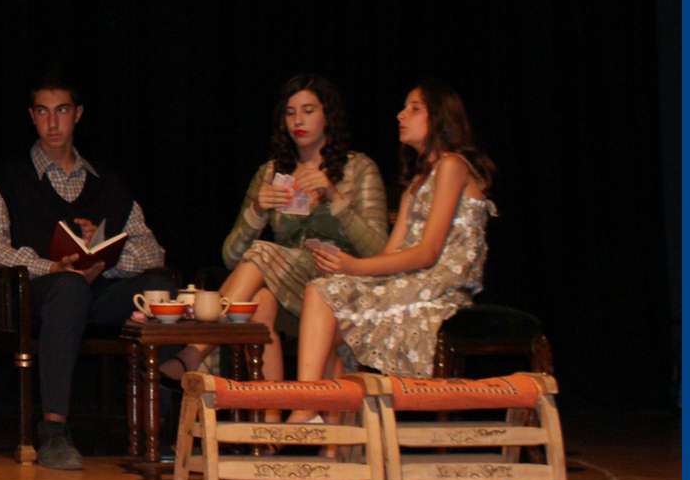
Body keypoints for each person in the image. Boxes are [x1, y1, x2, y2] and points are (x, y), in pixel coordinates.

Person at [0, 69, 180, 470]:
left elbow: (153, 250)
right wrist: (50, 266)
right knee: (68, 286)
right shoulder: (8, 179)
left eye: (62, 111)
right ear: (32, 116)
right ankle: (53, 430)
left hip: (98, 290)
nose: (53, 122)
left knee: (160, 287)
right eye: (43, 112)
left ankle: (159, 428)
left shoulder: (108, 184)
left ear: (78, 114)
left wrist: (104, 258)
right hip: (35, 297)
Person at [159, 73, 389, 389]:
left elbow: (379, 250)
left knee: (262, 257)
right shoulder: (270, 172)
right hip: (292, 289)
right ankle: (269, 415)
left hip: (343, 283)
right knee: (261, 300)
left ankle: (194, 352)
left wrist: (335, 198)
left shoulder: (359, 168)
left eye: (308, 110)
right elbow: (230, 257)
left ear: (328, 116)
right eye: (290, 112)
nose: (298, 120)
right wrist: (256, 212)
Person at [290, 80, 498, 411]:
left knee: (328, 304)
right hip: (408, 282)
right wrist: (341, 264)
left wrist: (354, 266)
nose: (401, 115)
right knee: (323, 291)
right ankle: (326, 423)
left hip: (438, 288)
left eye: (414, 108)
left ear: (440, 118)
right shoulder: (415, 185)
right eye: (404, 108)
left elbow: (428, 252)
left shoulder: (453, 166)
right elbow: (389, 255)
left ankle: (307, 412)